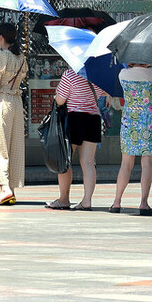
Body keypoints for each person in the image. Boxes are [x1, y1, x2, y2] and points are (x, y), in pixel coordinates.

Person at [110, 63, 152, 215]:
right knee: (147, 163)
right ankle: (143, 203)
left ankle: (116, 202)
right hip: (150, 120)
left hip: (130, 120)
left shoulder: (123, 74)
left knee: (126, 163)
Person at [47, 66, 108, 211]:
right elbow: (102, 93)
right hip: (93, 119)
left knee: (65, 159)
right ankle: (86, 201)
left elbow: (60, 101)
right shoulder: (97, 74)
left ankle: (64, 199)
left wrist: (56, 95)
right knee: (88, 162)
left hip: (74, 119)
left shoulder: (70, 75)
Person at [0, 24, 28, 206]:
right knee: (14, 145)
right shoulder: (21, 58)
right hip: (17, 102)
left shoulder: (1, 56)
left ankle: (4, 188)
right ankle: (11, 189)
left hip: (3, 101)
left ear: (1, 37)